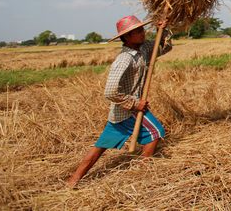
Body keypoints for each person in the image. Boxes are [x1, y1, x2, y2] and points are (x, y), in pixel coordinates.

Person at [67, 15, 172, 188]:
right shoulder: (124, 59)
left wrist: (163, 30)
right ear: (127, 37)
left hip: (121, 113)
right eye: (137, 31)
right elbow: (110, 91)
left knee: (101, 146)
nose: (142, 33)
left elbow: (164, 47)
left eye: (142, 29)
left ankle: (73, 180)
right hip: (128, 110)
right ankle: (143, 174)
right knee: (156, 132)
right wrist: (134, 103)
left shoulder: (143, 48)